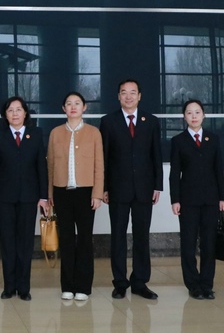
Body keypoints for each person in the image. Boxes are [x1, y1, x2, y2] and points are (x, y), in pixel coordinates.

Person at [100, 79, 162, 300]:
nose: (128, 96)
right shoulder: (108, 121)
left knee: (141, 236)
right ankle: (119, 283)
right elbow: (104, 157)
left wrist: (157, 186)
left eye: (132, 92)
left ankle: (140, 282)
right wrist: (104, 187)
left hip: (144, 188)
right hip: (117, 188)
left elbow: (156, 155)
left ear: (139, 96)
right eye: (124, 92)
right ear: (118, 96)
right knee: (118, 236)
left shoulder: (151, 121)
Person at [0, 96, 48, 301]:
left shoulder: (36, 134)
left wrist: (43, 196)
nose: (15, 113)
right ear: (5, 114)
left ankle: (24, 288)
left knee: (25, 243)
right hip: (4, 198)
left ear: (25, 113)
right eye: (10, 110)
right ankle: (8, 287)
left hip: (29, 198)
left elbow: (41, 167)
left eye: (18, 109)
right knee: (7, 243)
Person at [47, 92, 104, 302]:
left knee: (85, 239)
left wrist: (97, 194)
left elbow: (99, 166)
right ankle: (67, 285)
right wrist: (50, 194)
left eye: (77, 103)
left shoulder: (94, 133)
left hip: (86, 192)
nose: (73, 107)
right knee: (67, 239)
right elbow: (50, 167)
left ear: (84, 107)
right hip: (61, 192)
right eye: (69, 104)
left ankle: (83, 286)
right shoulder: (55, 133)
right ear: (63, 108)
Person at [170, 99, 224, 300]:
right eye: (189, 113)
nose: (193, 116)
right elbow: (175, 173)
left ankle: (207, 284)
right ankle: (193, 285)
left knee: (209, 244)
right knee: (188, 244)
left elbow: (218, 169)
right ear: (184, 117)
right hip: (188, 201)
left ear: (203, 115)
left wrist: (221, 197)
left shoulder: (213, 139)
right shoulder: (178, 141)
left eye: (197, 112)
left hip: (211, 200)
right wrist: (175, 200)